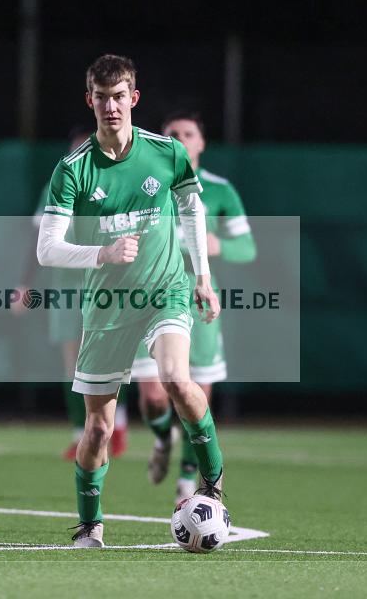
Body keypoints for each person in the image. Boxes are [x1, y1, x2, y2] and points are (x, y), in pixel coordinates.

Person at [36, 54, 225, 548]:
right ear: (90, 101)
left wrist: (201, 276)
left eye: (120, 96)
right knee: (98, 426)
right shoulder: (72, 170)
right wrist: (103, 251)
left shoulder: (166, 153)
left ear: (133, 99)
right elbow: (46, 247)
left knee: (176, 379)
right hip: (107, 306)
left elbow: (191, 206)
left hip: (166, 290)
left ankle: (211, 484)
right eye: (102, 98)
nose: (111, 106)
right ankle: (90, 524)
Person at [131, 111, 255, 503]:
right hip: (149, 295)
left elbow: (247, 247)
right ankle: (161, 437)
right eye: (172, 133)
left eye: (189, 133)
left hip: (196, 295)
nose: (180, 138)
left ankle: (188, 480)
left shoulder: (219, 190)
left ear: (201, 143)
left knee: (194, 392)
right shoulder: (148, 183)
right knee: (153, 396)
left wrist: (217, 245)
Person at [17, 126, 128, 460]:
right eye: (76, 150)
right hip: (67, 284)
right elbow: (38, 241)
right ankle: (81, 434)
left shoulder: (117, 184)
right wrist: (25, 284)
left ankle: (116, 426)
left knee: (111, 360)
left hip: (107, 283)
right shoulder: (57, 184)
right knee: (73, 363)